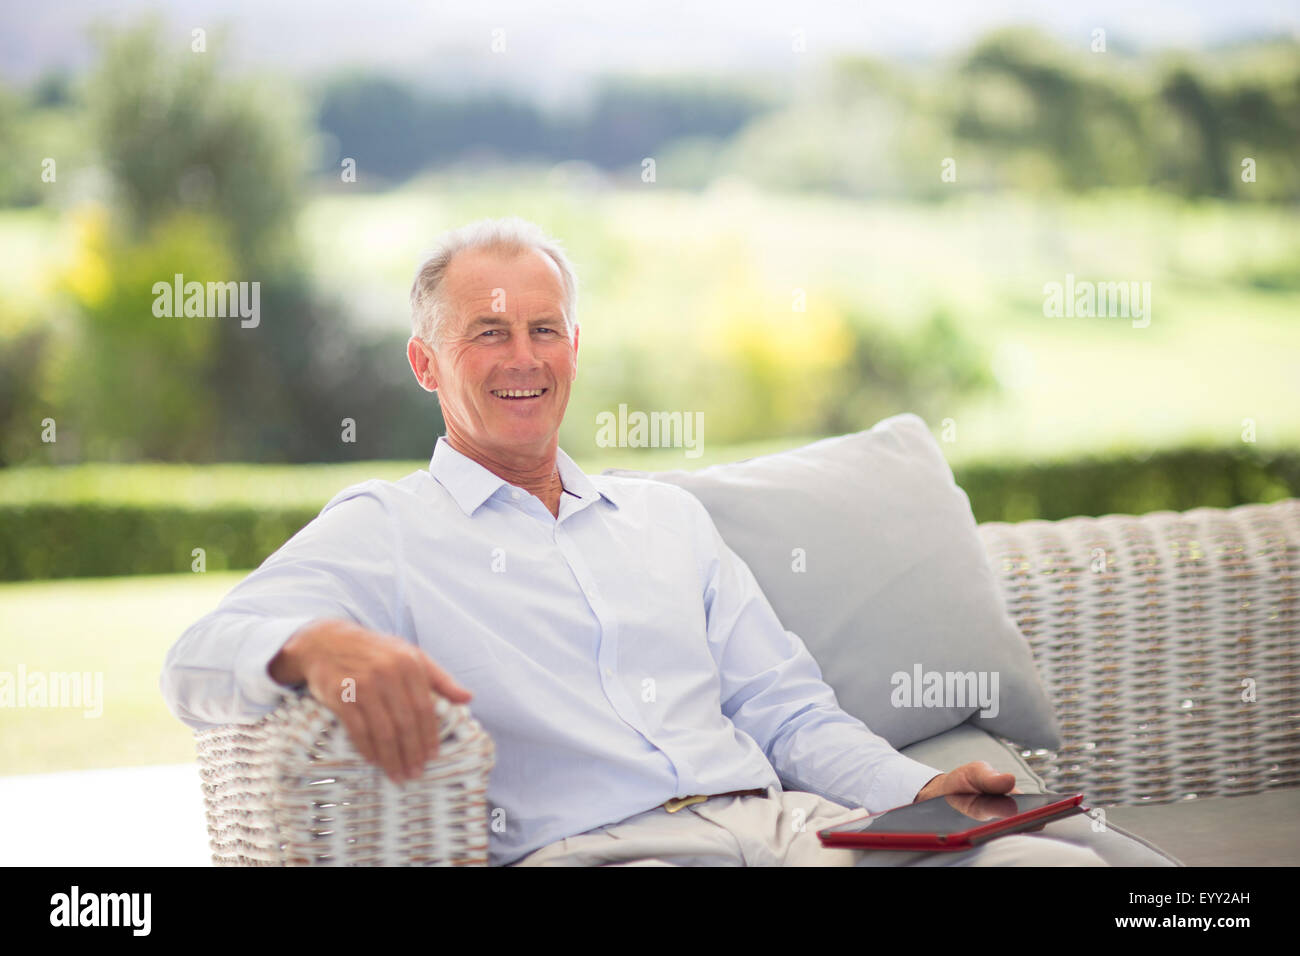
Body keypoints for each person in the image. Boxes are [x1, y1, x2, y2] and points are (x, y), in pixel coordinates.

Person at [161, 217, 1176, 867]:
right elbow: (193, 662)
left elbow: (784, 709)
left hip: (788, 827)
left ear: (573, 346)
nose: (523, 358)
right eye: (488, 332)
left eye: (544, 329)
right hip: (603, 851)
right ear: (427, 362)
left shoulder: (663, 520)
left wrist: (913, 788)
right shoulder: (386, 531)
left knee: (1056, 870)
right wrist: (312, 644)